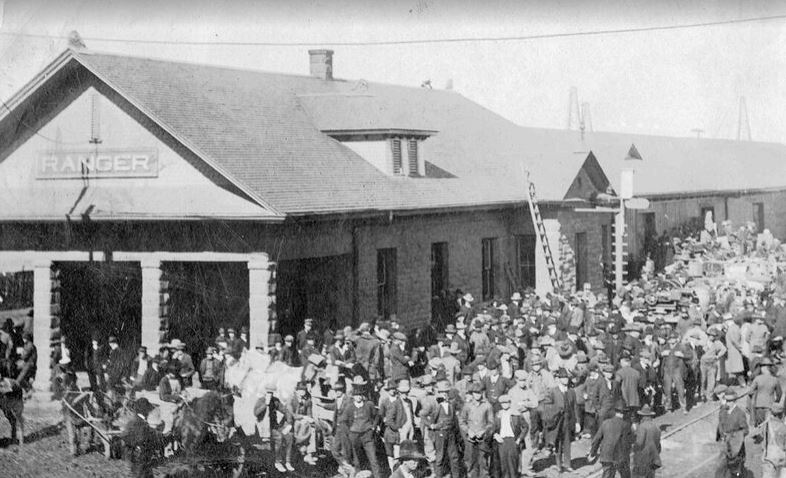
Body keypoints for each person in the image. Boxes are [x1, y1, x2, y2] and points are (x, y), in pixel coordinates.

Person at [255, 382, 294, 472]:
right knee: (278, 437)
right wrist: (266, 404)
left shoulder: (275, 400)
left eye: (271, 393)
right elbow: (256, 413)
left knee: (289, 436)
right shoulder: (261, 400)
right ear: (265, 392)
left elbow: (285, 410)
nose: (270, 394)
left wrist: (289, 423)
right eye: (268, 392)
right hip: (264, 428)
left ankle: (288, 461)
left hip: (273, 426)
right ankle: (278, 461)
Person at [348, 378, 383, 477]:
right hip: (355, 436)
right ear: (353, 396)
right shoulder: (350, 407)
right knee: (357, 460)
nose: (358, 397)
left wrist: (373, 427)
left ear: (363, 395)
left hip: (367, 435)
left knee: (373, 459)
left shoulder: (369, 405)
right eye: (356, 395)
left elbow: (377, 416)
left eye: (360, 395)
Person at [428, 379, 462, 478]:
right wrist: (433, 427)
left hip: (451, 433)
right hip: (441, 434)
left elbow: (455, 422)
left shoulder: (451, 406)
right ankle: (439, 476)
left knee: (454, 456)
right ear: (439, 394)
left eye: (446, 392)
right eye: (443, 393)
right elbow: (431, 421)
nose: (445, 395)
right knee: (440, 457)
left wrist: (457, 435)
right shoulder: (437, 407)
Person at [459, 382, 494, 478]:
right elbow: (462, 421)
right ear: (472, 393)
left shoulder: (487, 406)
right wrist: (468, 431)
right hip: (470, 439)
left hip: (482, 439)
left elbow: (491, 423)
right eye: (475, 393)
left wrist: (483, 431)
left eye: (479, 392)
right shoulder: (467, 406)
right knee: (470, 461)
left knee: (483, 462)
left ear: (482, 392)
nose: (477, 395)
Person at [588, 405, 633, 478]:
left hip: (606, 455)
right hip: (620, 456)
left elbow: (597, 439)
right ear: (624, 413)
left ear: (615, 412)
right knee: (626, 475)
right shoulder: (626, 425)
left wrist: (592, 452)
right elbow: (629, 442)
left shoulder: (605, 423)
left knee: (607, 475)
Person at [121, 398, 158, 478]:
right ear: (144, 411)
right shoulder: (139, 423)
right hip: (139, 459)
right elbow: (141, 439)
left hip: (138, 459)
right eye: (148, 410)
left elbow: (125, 438)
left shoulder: (134, 421)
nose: (149, 413)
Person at [493, 394, 528, 478]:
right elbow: (493, 428)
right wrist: (496, 435)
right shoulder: (498, 414)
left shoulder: (516, 414)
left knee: (512, 464)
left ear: (510, 403)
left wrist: (519, 439)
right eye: (502, 403)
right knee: (503, 463)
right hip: (502, 441)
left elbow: (525, 427)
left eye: (506, 403)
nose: (504, 405)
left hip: (513, 440)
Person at [716, 389, 748, 478]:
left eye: (730, 401)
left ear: (735, 401)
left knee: (736, 470)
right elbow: (720, 425)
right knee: (720, 466)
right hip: (724, 445)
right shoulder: (722, 411)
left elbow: (745, 430)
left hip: (736, 446)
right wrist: (722, 435)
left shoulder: (740, 413)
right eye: (727, 401)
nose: (728, 403)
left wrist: (734, 437)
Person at [751, 402, 786, 478]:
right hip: (782, 459)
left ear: (771, 413)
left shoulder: (766, 425)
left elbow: (753, 434)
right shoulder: (784, 427)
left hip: (768, 458)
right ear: (782, 415)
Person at [632, 405, 661, 478]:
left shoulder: (642, 427)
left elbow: (639, 443)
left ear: (643, 416)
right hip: (653, 459)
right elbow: (659, 446)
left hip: (642, 460)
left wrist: (633, 448)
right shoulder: (657, 427)